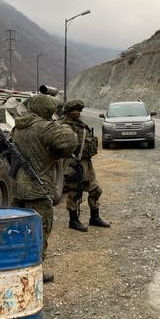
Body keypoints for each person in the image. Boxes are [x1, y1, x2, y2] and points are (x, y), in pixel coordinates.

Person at [11, 94, 77, 283]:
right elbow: (69, 142)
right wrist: (64, 126)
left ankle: (17, 268)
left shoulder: (18, 127)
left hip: (18, 189)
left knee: (19, 232)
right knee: (40, 232)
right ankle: (34, 273)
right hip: (38, 190)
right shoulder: (44, 127)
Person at [61, 99, 111, 232]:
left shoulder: (81, 125)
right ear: (68, 112)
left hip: (86, 163)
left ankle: (94, 217)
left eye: (79, 111)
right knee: (74, 192)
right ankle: (73, 220)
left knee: (95, 190)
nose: (77, 113)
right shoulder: (65, 127)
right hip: (72, 163)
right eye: (74, 111)